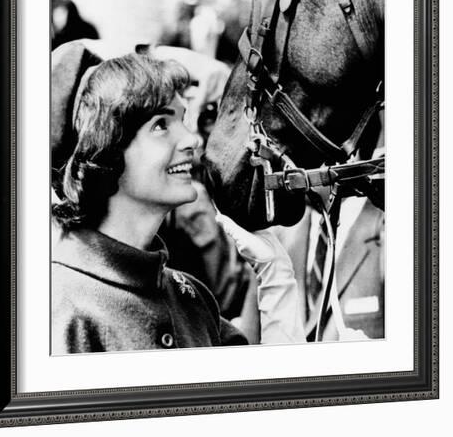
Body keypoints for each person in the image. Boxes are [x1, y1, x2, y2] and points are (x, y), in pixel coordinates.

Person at [51, 52, 304, 354]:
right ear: (105, 149)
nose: (192, 139)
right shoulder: (58, 306)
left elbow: (267, 397)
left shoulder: (194, 301)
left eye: (182, 119)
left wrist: (276, 281)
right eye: (161, 125)